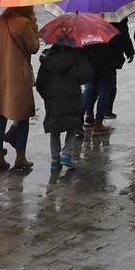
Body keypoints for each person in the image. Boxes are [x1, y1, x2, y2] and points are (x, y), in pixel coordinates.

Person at [0, 6, 40, 172]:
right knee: (23, 116)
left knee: (0, 115)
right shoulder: (24, 23)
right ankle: (21, 157)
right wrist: (34, 27)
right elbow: (34, 47)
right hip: (16, 76)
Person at [36, 35, 93, 173]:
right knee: (72, 124)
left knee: (54, 128)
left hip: (52, 97)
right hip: (72, 95)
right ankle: (67, 154)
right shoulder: (76, 56)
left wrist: (47, 95)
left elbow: (39, 83)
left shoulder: (47, 59)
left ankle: (55, 160)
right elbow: (86, 75)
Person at [80, 17, 133, 132]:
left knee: (90, 88)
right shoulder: (116, 14)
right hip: (109, 57)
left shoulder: (86, 14)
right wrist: (129, 52)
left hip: (90, 55)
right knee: (105, 89)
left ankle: (82, 119)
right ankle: (98, 124)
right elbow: (124, 35)